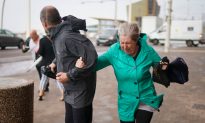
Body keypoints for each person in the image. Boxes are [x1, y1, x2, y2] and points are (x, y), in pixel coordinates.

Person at [76, 23, 164, 123]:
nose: (124, 47)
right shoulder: (114, 51)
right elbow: (95, 64)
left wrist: (165, 67)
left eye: (128, 43)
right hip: (126, 100)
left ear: (136, 40)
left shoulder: (147, 51)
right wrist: (81, 65)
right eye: (122, 43)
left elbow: (162, 67)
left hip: (146, 98)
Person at [40, 6, 97, 123]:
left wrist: (70, 75)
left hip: (80, 94)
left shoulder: (67, 36)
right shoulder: (58, 35)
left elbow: (92, 58)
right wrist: (54, 63)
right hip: (70, 91)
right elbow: (66, 53)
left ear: (44, 24)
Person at [36, 34, 64, 101]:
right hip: (55, 62)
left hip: (45, 63)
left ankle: (41, 94)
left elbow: (40, 52)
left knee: (43, 79)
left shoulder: (42, 40)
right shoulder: (57, 39)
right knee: (57, 79)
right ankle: (63, 95)